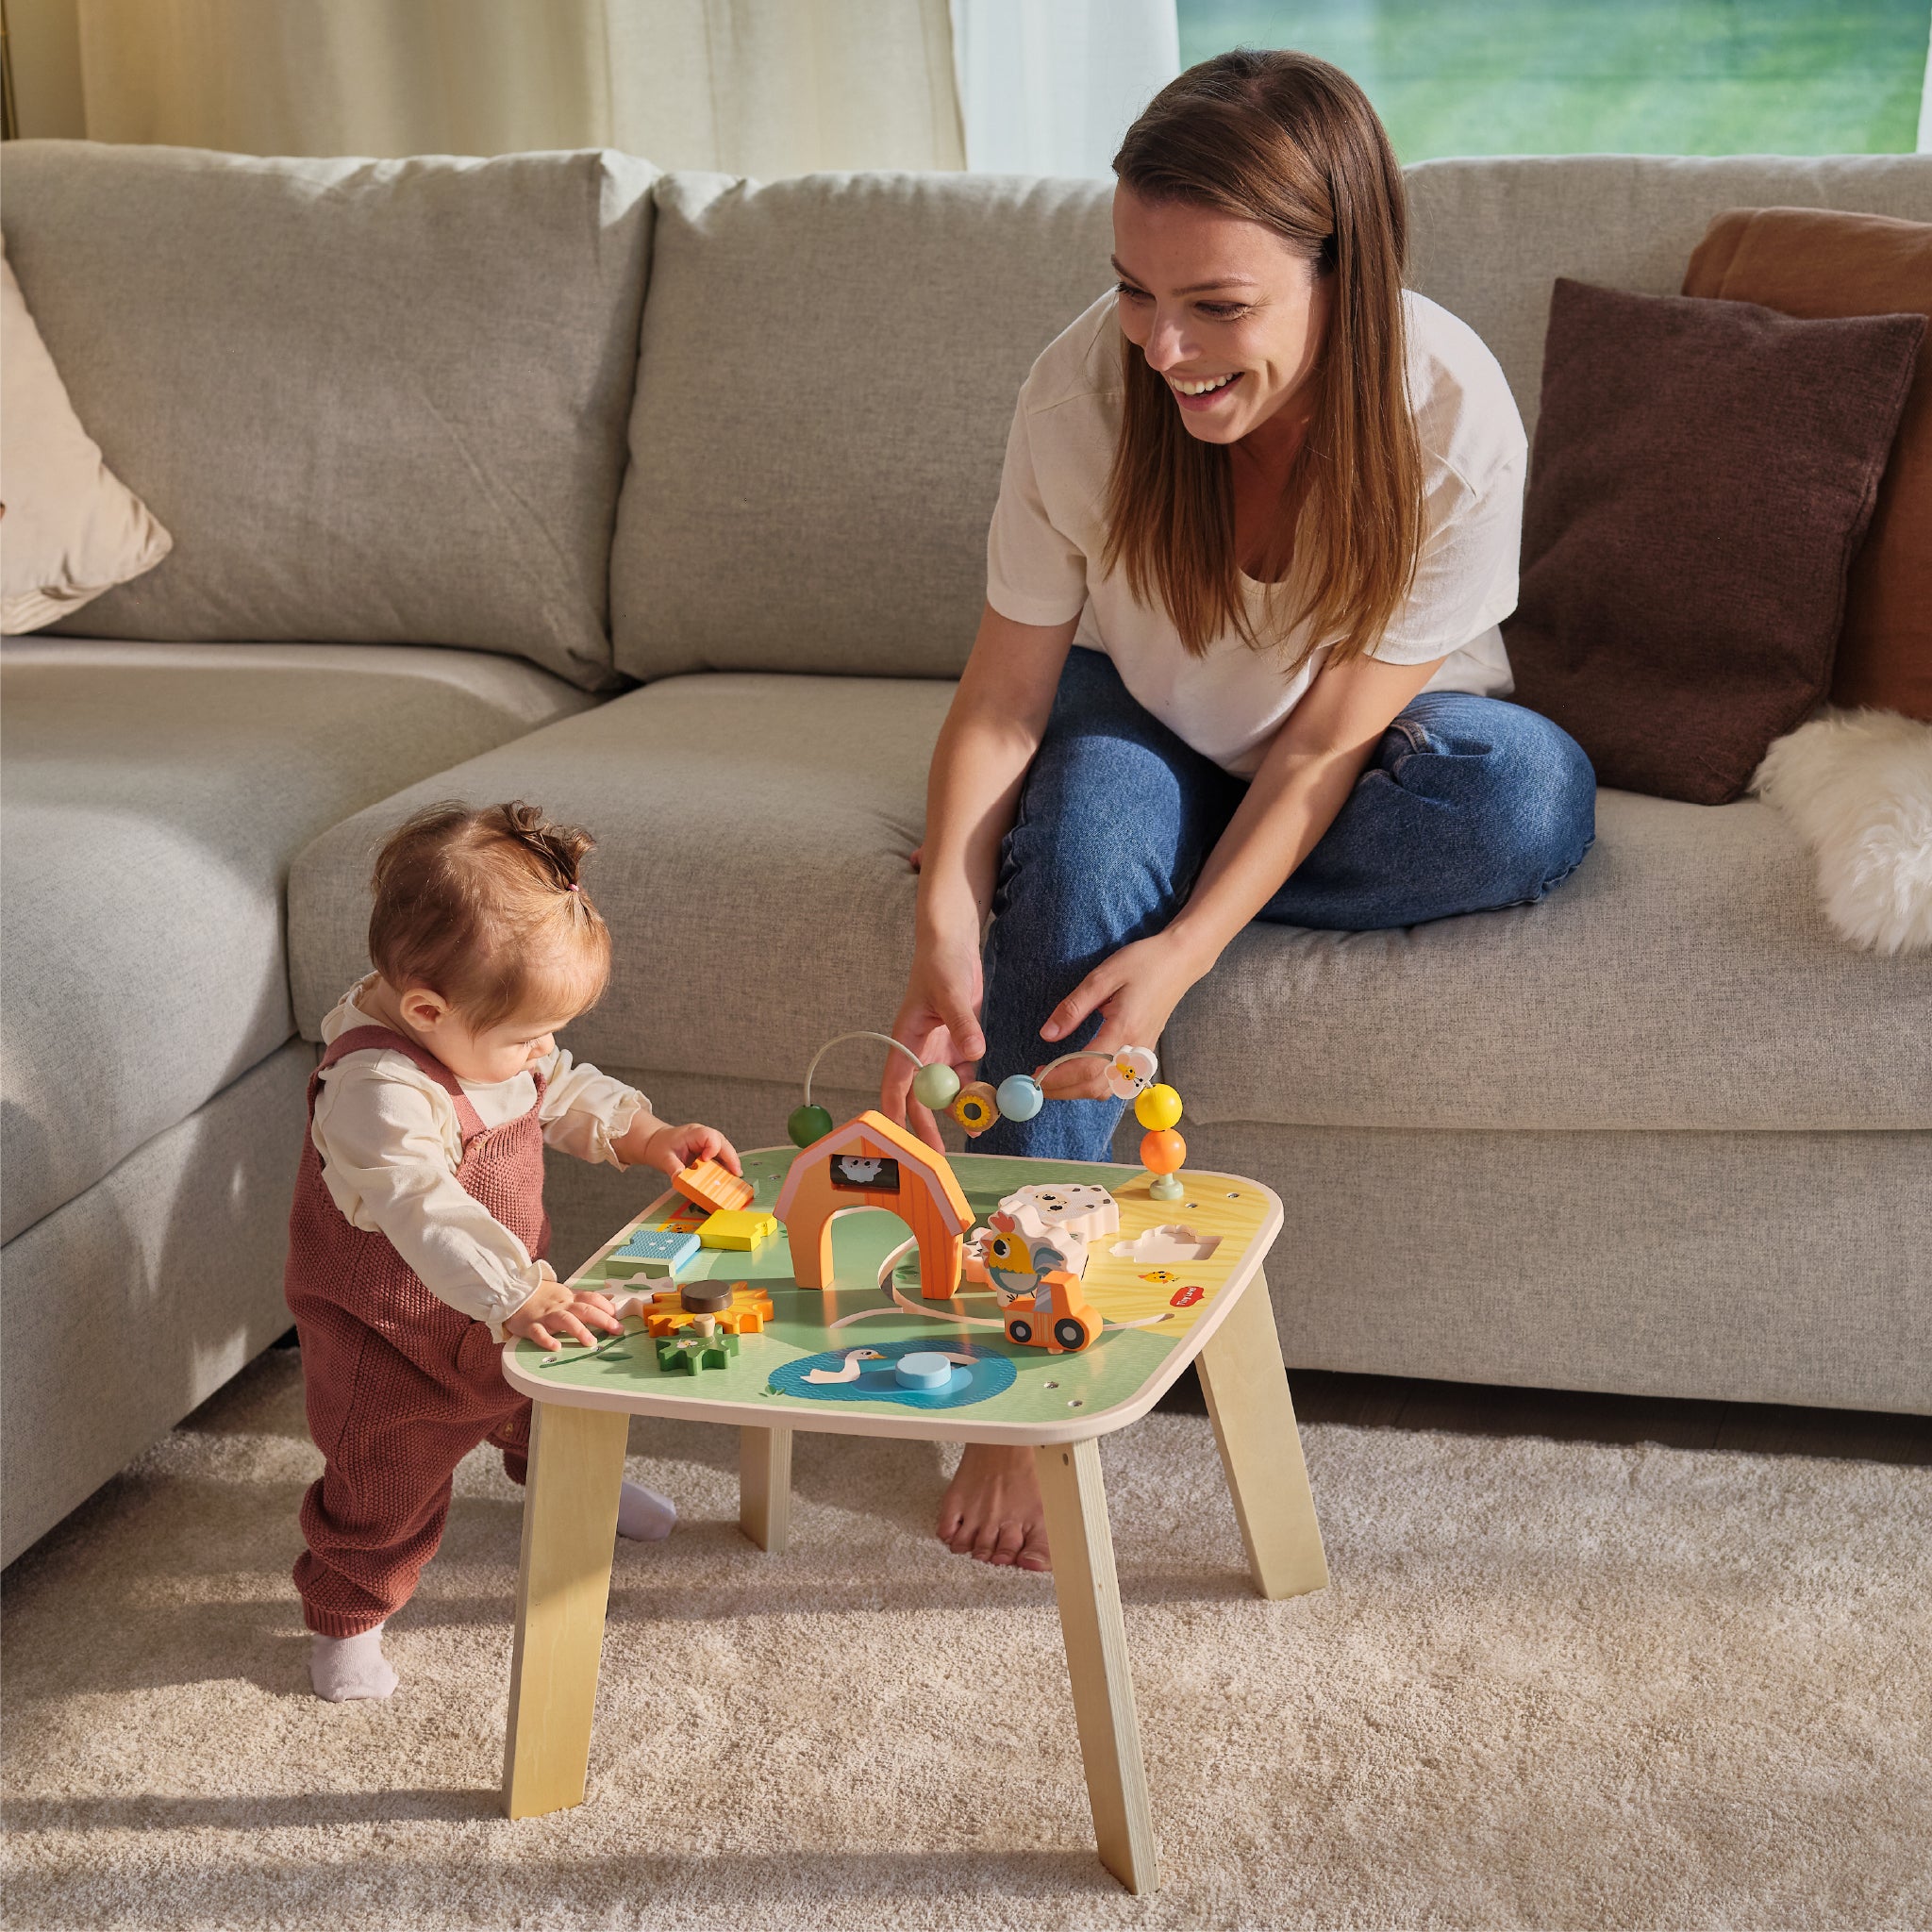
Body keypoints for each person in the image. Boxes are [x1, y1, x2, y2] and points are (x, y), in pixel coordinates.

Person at [884, 51, 1595, 1574]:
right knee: (1083, 845)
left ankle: (1137, 896)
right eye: (1134, 291)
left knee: (1524, 799)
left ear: (1346, 273)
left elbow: (1330, 740)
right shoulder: (1080, 394)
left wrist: (1190, 942)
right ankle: (1029, 1357)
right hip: (1138, 718)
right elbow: (1004, 697)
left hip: (1361, 753)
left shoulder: (1448, 413)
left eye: (1216, 305)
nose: (1162, 346)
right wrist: (945, 900)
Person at [287, 800, 741, 1701]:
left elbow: (559, 1087)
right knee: (383, 1482)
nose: (544, 1051)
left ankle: (577, 1489)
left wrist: (648, 1135)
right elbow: (428, 1211)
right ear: (426, 1009)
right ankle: (348, 1620)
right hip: (395, 1333)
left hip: (508, 1299)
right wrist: (516, 1293)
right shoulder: (377, 1091)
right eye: (528, 1036)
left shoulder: (475, 1030)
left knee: (555, 1401)